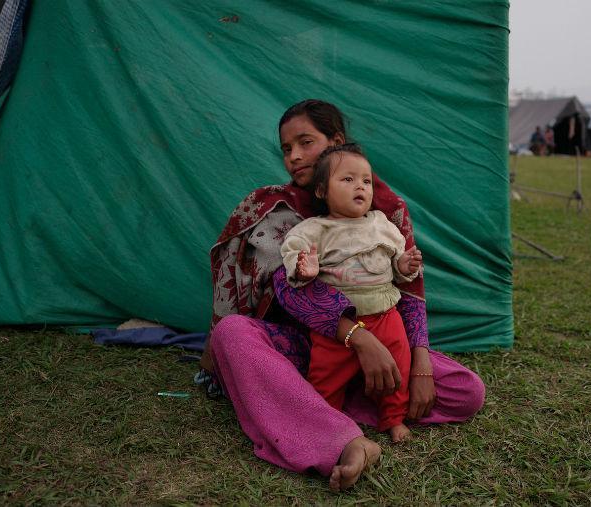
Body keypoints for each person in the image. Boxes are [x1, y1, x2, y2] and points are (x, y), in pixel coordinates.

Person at [201, 99, 485, 491]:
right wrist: (359, 339)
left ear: (336, 142)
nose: (294, 157)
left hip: (387, 341)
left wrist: (418, 365)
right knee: (232, 334)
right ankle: (342, 439)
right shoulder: (280, 208)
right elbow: (290, 291)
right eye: (286, 149)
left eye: (305, 142)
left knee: (465, 391)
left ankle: (306, 404)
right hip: (305, 348)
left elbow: (410, 291)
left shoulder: (386, 212)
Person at [281, 143, 422, 443]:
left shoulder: (382, 224)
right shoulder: (315, 229)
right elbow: (292, 251)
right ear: (321, 191)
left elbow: (398, 265)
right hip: (340, 325)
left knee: (399, 365)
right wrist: (303, 267)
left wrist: (405, 264)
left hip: (386, 315)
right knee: (325, 376)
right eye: (347, 180)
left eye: (366, 181)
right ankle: (326, 421)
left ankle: (394, 418)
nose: (360, 186)